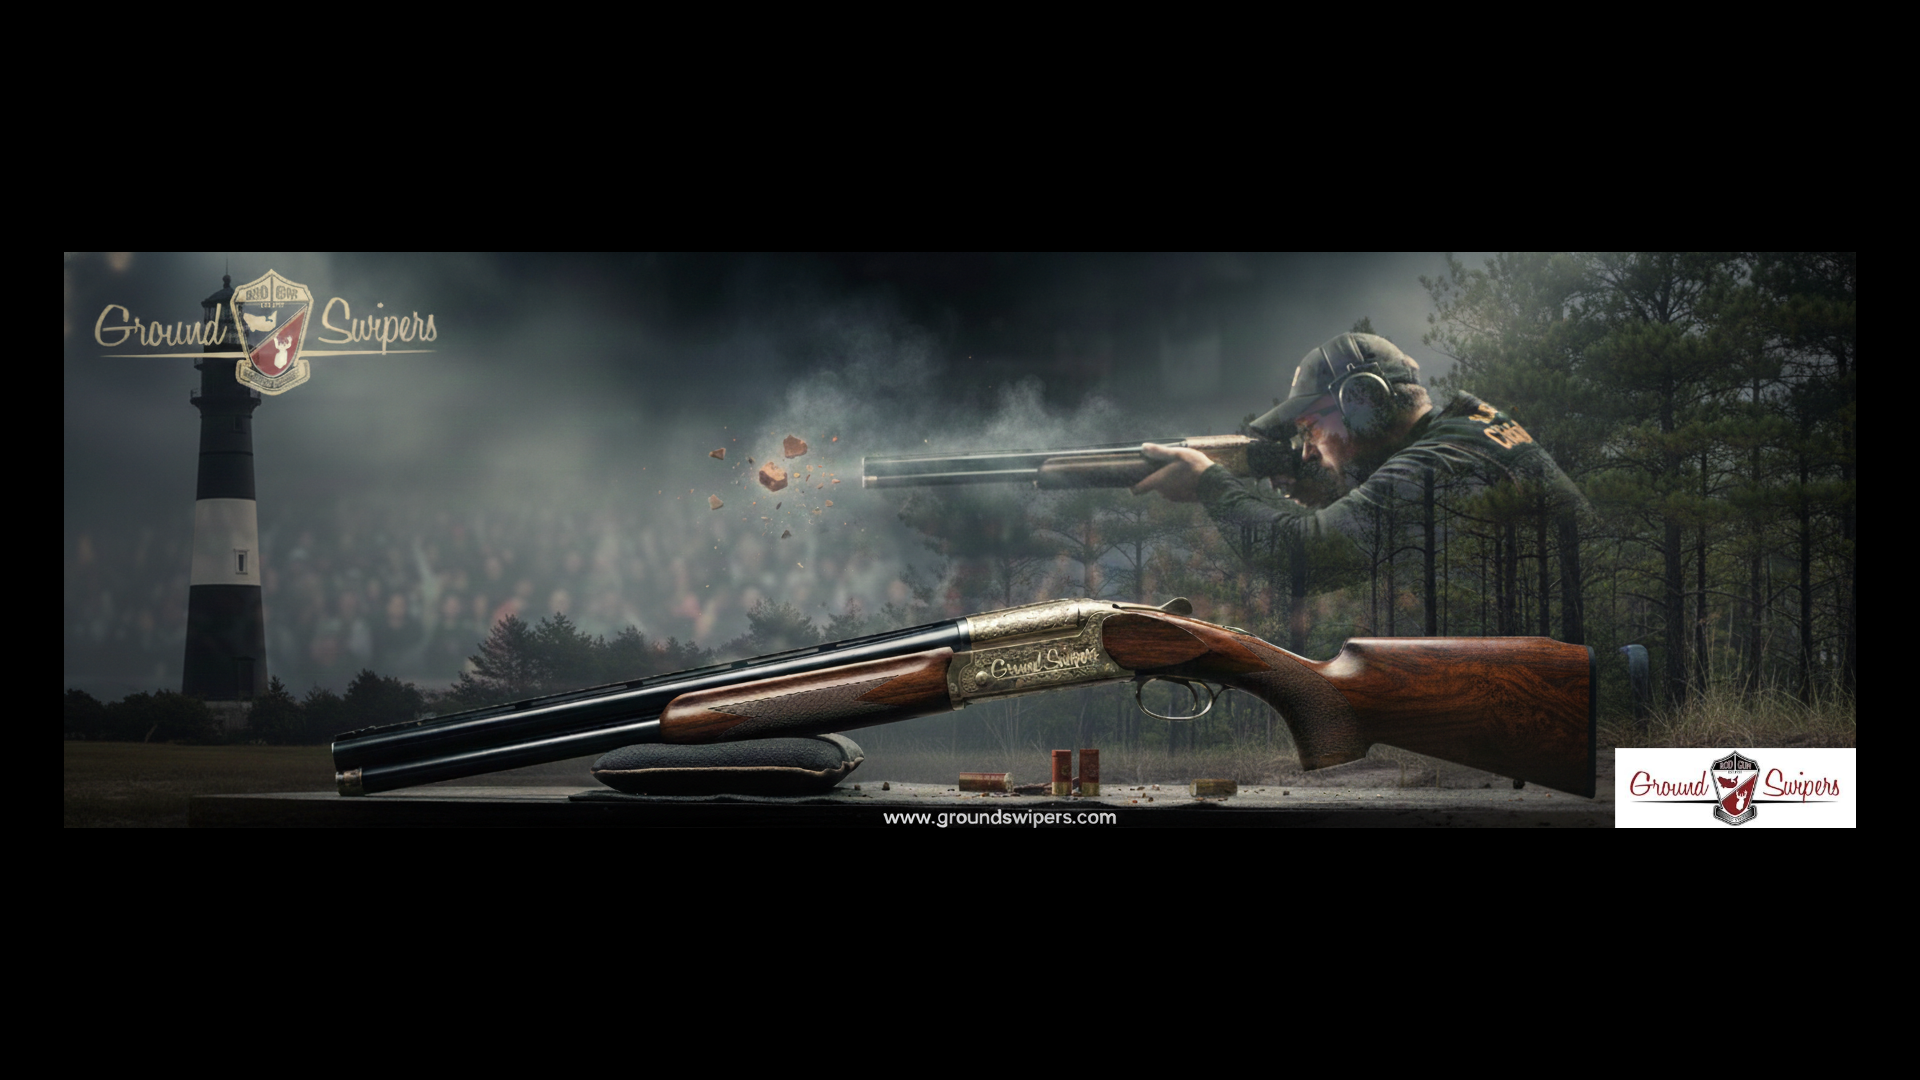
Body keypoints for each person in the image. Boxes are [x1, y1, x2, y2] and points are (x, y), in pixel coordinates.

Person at [1132, 333, 1588, 627]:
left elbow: (1304, 558)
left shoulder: (1440, 462)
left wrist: (1209, 483)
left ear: (1364, 403)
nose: (1309, 448)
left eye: (1310, 427)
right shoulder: (1466, 433)